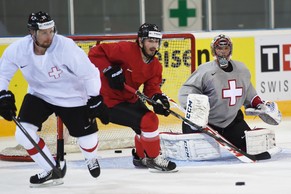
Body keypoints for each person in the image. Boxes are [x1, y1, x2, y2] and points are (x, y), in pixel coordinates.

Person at [0, 11, 109, 186]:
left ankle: (91, 158)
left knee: (88, 139)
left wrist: (95, 97)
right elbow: (3, 73)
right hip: (39, 94)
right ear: (32, 32)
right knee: (23, 134)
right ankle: (51, 169)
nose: (49, 36)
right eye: (43, 32)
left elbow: (90, 73)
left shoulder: (66, 47)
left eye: (51, 31)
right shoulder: (18, 49)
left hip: (72, 97)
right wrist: (2, 94)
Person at [88, 23, 177, 172]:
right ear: (141, 41)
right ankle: (153, 159)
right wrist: (108, 69)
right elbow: (95, 53)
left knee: (146, 125)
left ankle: (140, 157)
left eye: (156, 42)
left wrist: (157, 99)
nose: (154, 45)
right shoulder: (125, 49)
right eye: (150, 41)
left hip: (129, 98)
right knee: (150, 121)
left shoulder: (155, 65)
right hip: (107, 101)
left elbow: (151, 88)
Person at [178, 34, 280, 153]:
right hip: (206, 123)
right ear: (214, 50)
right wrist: (195, 108)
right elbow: (186, 91)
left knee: (250, 149)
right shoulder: (205, 70)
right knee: (197, 152)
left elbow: (248, 92)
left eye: (226, 48)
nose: (223, 52)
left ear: (230, 49)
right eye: (219, 48)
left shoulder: (242, 70)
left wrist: (259, 104)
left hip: (231, 122)